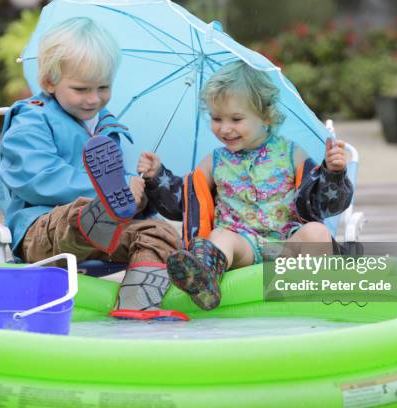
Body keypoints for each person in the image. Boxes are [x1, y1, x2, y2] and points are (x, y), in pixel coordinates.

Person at [138, 61, 353, 310]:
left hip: (286, 247)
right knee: (219, 237)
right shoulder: (215, 161)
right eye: (216, 118)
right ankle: (203, 279)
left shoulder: (291, 153)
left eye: (236, 119)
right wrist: (157, 175)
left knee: (316, 232)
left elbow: (322, 202)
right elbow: (183, 201)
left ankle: (318, 295)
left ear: (266, 116)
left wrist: (333, 173)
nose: (225, 128)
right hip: (243, 248)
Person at [0, 17, 179, 313]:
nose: (94, 99)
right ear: (49, 82)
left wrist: (139, 191)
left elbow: (117, 184)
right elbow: (36, 176)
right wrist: (106, 192)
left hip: (105, 230)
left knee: (160, 233)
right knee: (82, 211)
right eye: (81, 89)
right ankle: (98, 212)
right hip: (43, 228)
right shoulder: (32, 119)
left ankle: (137, 303)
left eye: (103, 87)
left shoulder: (107, 127)